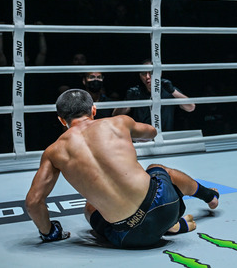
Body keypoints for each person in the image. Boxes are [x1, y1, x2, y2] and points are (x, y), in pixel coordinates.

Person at [25, 89, 219, 248]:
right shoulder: (118, 123)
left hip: (130, 237)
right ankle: (209, 196)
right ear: (93, 110)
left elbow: (33, 202)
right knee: (157, 169)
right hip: (165, 207)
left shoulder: (53, 152)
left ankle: (162, 228)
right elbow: (152, 132)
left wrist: (49, 232)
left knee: (90, 208)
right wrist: (130, 133)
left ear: (61, 120)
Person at [113, 60, 196, 131]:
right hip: (141, 138)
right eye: (144, 73)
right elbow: (115, 115)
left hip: (165, 136)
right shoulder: (136, 92)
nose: (147, 77)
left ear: (159, 73)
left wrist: (173, 91)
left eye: (151, 72)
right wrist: (127, 101)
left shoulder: (168, 90)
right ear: (140, 76)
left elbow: (191, 107)